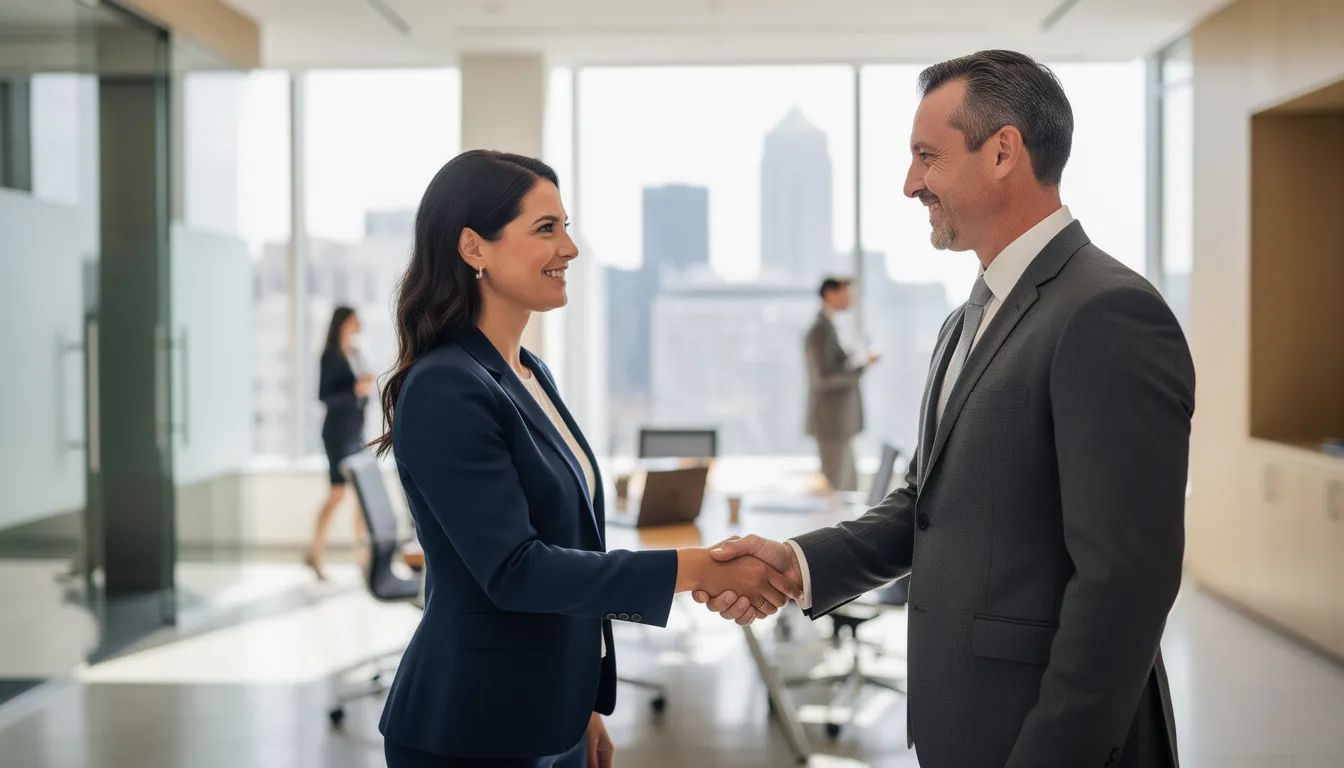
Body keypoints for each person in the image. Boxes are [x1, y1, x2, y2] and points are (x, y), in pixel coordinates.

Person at [697, 50, 1195, 768]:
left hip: (1049, 738)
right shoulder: (964, 320)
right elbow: (927, 505)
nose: (909, 184)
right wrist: (797, 563)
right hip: (964, 721)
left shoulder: (1107, 313)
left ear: (1002, 152)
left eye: (926, 156)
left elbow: (1125, 585)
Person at [371, 150, 801, 768]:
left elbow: (570, 540)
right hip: (473, 725)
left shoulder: (527, 373)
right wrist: (696, 567)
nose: (569, 248)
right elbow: (515, 570)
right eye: (546, 229)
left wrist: (581, 704)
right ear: (474, 248)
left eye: (566, 226)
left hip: (551, 709)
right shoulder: (447, 385)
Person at [306, 306, 374, 580]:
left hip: (356, 432)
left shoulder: (355, 353)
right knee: (337, 495)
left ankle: (362, 557)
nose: (358, 324)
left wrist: (364, 390)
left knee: (361, 496)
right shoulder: (330, 355)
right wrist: (354, 389)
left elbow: (361, 392)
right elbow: (324, 395)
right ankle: (315, 553)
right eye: (353, 320)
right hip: (336, 433)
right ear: (343, 323)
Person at [804, 276, 879, 493]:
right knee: (836, 491)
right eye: (846, 293)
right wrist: (862, 366)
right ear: (830, 294)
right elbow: (823, 378)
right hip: (831, 422)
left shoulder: (829, 327)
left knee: (846, 487)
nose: (851, 299)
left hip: (839, 423)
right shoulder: (820, 329)